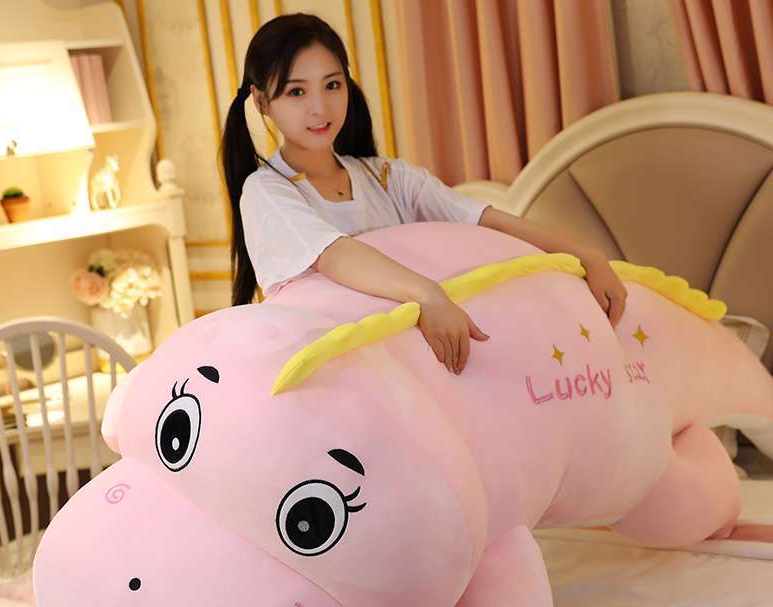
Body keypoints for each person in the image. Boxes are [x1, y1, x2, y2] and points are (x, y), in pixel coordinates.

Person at [220, 13, 627, 375]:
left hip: (413, 373)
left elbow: (483, 219)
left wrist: (585, 254)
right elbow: (335, 255)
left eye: (332, 85)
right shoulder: (266, 191)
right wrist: (427, 293)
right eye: (296, 92)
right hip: (333, 378)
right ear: (261, 101)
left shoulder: (386, 176)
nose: (320, 107)